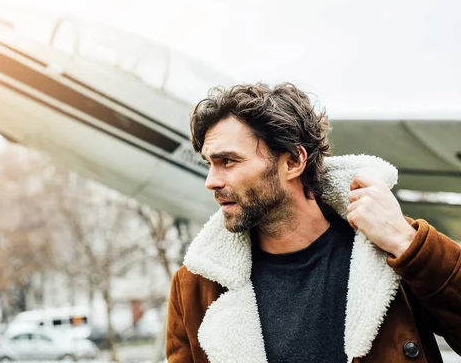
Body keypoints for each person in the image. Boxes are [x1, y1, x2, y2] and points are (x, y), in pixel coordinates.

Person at [165, 83, 461, 363]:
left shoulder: (389, 247)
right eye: (210, 164)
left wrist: (406, 243)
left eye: (228, 161)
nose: (211, 181)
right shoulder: (194, 287)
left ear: (293, 162)